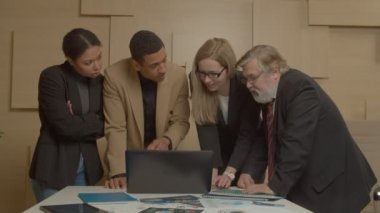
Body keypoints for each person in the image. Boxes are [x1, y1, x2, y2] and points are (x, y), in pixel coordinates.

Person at [236, 44, 377, 212]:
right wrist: (249, 172)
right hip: (310, 185)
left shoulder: (300, 88)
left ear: (274, 72)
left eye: (252, 78)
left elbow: (297, 143)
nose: (248, 85)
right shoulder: (269, 94)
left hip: (334, 187)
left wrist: (275, 186)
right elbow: (264, 138)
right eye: (246, 79)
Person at [103, 30, 190, 189]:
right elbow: (116, 127)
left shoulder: (178, 75)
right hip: (129, 161)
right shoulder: (114, 76)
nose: (163, 69)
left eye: (164, 60)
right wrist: (118, 172)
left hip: (166, 161)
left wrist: (167, 140)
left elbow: (181, 121)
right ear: (137, 65)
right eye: (154, 65)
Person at [29, 28, 105, 202]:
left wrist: (77, 119)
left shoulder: (101, 82)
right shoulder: (52, 77)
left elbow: (106, 125)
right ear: (71, 60)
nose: (97, 66)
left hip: (87, 170)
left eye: (99, 57)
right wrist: (92, 118)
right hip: (54, 169)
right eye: (88, 62)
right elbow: (65, 127)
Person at [189, 38, 263, 188]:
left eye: (213, 74)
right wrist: (213, 168)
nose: (207, 80)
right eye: (202, 73)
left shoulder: (245, 84)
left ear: (228, 69)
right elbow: (206, 127)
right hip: (219, 157)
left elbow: (247, 135)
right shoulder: (196, 79)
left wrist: (231, 171)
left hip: (247, 157)